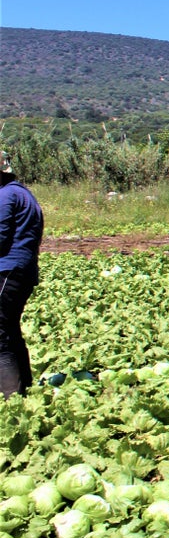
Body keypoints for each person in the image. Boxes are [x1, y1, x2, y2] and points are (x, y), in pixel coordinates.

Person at [0, 152, 44, 398]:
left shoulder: (5, 196)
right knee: (9, 329)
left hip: (7, 270)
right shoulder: (23, 193)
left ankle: (9, 397)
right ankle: (24, 388)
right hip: (23, 272)